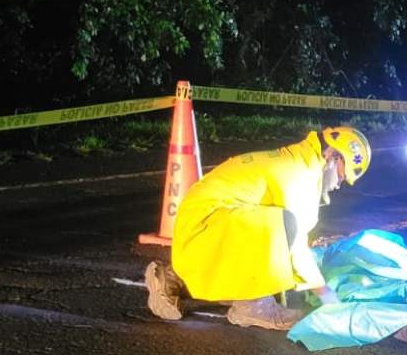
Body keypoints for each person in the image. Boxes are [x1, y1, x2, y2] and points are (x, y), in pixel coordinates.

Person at [144, 127, 372, 330]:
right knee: (285, 223)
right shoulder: (298, 175)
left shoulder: (298, 162)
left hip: (204, 233)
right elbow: (294, 244)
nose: (338, 184)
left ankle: (171, 279)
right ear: (331, 157)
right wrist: (325, 293)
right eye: (342, 175)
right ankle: (252, 306)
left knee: (277, 243)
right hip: (204, 229)